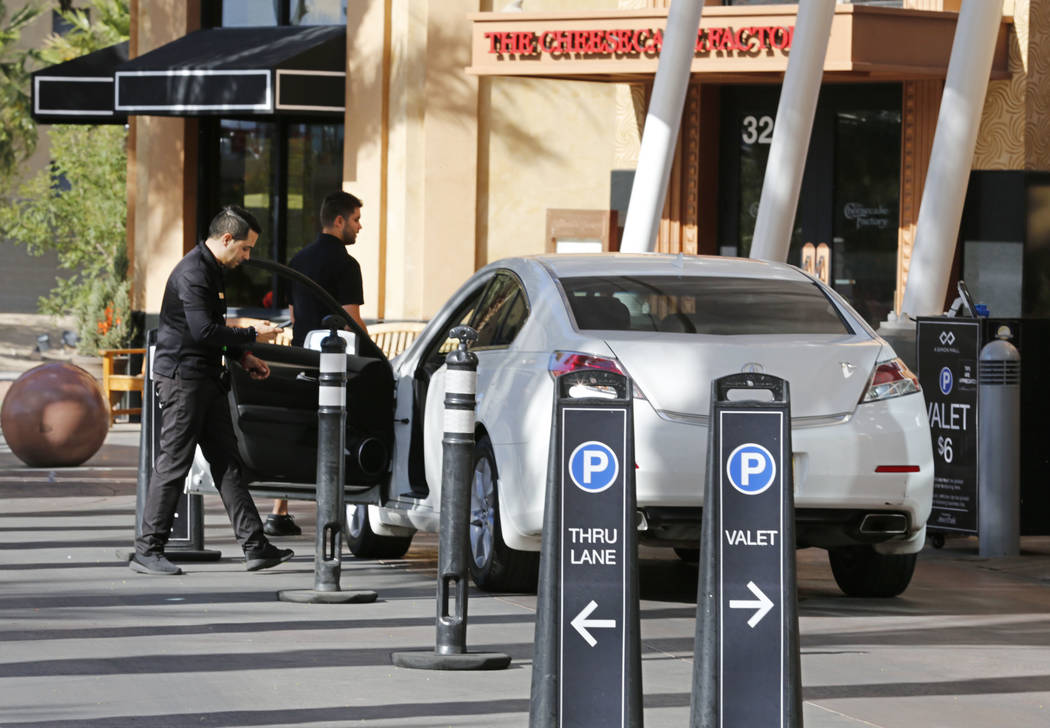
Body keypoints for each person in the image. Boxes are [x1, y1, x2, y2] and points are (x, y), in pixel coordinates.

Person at [130, 205, 293, 575]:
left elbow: (212, 329)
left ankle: (256, 546)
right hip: (183, 379)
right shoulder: (193, 271)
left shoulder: (211, 268)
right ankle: (148, 549)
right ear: (226, 239)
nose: (247, 256)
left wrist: (242, 355)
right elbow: (203, 331)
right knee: (175, 461)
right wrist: (253, 335)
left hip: (204, 377)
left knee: (227, 462)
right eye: (246, 248)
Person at [264, 191, 368, 537]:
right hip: (335, 365)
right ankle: (337, 513)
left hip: (300, 358)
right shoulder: (347, 264)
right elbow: (351, 320)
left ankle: (278, 512)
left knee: (297, 432)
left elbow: (294, 316)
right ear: (339, 221)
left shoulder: (298, 260)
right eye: (355, 219)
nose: (359, 226)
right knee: (341, 434)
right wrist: (374, 355)